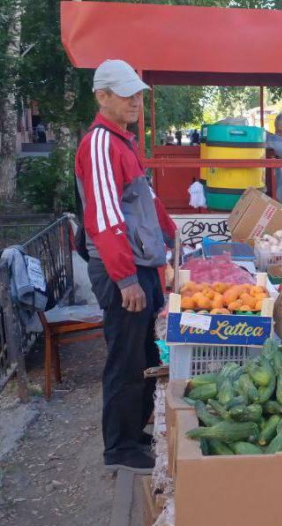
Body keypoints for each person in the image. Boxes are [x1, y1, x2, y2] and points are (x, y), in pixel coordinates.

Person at [74, 59, 176, 474]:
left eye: (138, 93)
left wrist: (169, 239)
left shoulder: (125, 143)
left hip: (142, 267)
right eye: (126, 94)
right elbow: (104, 217)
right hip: (124, 272)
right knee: (126, 359)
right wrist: (126, 279)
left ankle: (135, 433)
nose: (136, 101)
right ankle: (119, 448)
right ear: (102, 96)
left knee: (147, 354)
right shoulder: (99, 143)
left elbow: (146, 204)